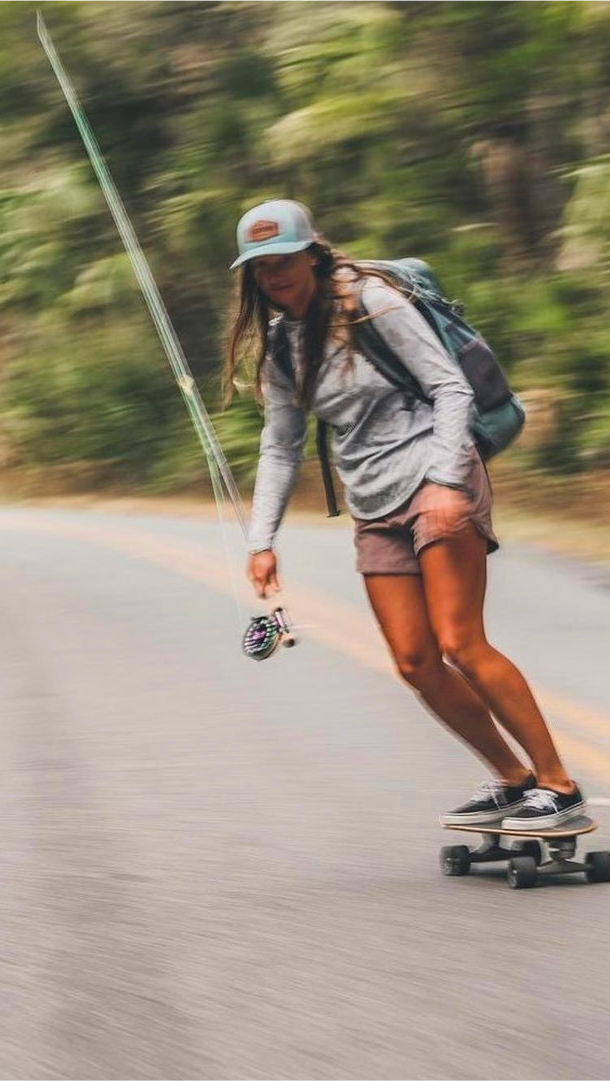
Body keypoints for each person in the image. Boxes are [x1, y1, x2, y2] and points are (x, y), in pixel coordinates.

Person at [225, 198, 585, 830]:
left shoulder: (371, 304)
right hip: (372, 500)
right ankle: (512, 779)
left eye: (284, 261)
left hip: (436, 478)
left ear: (311, 254)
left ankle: (558, 784)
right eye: (261, 268)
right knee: (415, 662)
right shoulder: (281, 348)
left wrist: (447, 482)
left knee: (459, 642)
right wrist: (261, 541)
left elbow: (451, 387)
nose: (274, 276)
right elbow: (279, 445)